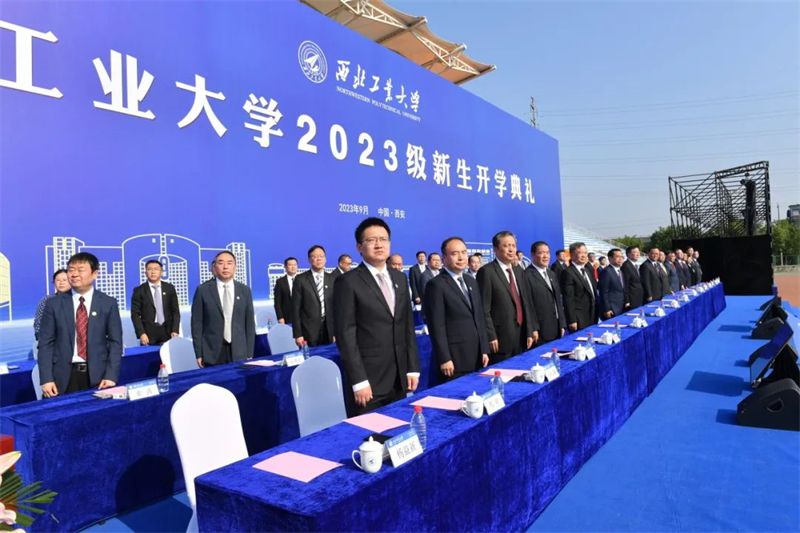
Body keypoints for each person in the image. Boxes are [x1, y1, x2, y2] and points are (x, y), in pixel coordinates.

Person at [334, 217, 419, 413]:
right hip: (369, 382)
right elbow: (346, 335)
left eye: (383, 239)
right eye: (371, 240)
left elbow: (407, 326)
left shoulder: (400, 278)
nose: (379, 244)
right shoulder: (348, 282)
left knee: (398, 426)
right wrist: (359, 380)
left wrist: (412, 367)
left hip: (399, 377)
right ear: (359, 247)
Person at [37, 252, 123, 397]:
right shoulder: (54, 304)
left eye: (80, 270)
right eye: (71, 270)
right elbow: (45, 343)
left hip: (98, 376)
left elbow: (115, 342)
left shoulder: (108, 303)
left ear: (94, 274)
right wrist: (46, 379)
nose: (74, 274)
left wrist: (111, 375)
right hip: (61, 377)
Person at [423, 237, 489, 379]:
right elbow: (436, 325)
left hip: (477, 355)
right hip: (455, 358)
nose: (461, 257)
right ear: (444, 258)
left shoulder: (471, 281)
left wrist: (484, 349)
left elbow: (479, 317)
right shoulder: (436, 285)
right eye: (454, 254)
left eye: (464, 252)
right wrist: (444, 358)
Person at [477, 231, 535, 362]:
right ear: (495, 249)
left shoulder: (518, 271)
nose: (511, 249)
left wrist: (529, 330)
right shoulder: (487, 272)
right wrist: (491, 335)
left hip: (521, 336)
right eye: (506, 246)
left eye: (513, 246)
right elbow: (484, 309)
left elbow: (525, 303)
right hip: (500, 338)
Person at [191, 250, 255, 366]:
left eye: (229, 263)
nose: (225, 267)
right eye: (221, 263)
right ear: (214, 267)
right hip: (212, 352)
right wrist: (199, 353)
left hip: (239, 351)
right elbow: (197, 325)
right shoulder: (203, 290)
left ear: (235, 267)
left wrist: (249, 352)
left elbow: (249, 324)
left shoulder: (244, 290)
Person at [523, 241, 566, 345]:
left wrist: (562, 323)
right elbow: (528, 305)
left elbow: (557, 300)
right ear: (533, 255)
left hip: (556, 327)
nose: (545, 256)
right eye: (541, 253)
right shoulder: (526, 275)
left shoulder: (552, 274)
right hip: (540, 331)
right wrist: (533, 328)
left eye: (547, 252)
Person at [292, 245, 335, 347]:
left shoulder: (332, 279)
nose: (319, 259)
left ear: (325, 259)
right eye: (315, 256)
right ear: (309, 259)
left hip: (329, 330)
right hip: (308, 331)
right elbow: (295, 309)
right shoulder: (300, 279)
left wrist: (337, 332)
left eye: (321, 256)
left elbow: (336, 308)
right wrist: (298, 334)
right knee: (311, 356)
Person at [130, 260, 180, 346]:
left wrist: (175, 330)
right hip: (148, 334)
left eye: (156, 269)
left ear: (161, 272)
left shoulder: (169, 288)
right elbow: (135, 315)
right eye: (149, 269)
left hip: (168, 332)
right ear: (145, 273)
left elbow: (175, 311)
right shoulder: (139, 291)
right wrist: (141, 333)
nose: (153, 272)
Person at [561, 242, 598, 331]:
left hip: (593, 314)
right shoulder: (568, 272)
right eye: (580, 253)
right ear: (572, 255)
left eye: (585, 253)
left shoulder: (587, 270)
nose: (583, 255)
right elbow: (568, 298)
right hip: (579, 318)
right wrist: (572, 320)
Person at [33, 269, 70, 340]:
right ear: (54, 283)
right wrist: (41, 339)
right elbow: (38, 321)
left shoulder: (78, 299)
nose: (61, 283)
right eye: (58, 280)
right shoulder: (47, 300)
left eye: (64, 280)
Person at [598, 248, 627, 319]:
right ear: (610, 258)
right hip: (612, 309)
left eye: (622, 257)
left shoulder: (620, 271)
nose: (620, 259)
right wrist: (607, 309)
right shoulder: (606, 272)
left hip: (621, 306)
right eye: (617, 257)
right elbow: (603, 292)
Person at [273, 257, 298, 324]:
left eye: (295, 265)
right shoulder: (280, 282)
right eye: (290, 265)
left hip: (303, 318)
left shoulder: (304, 280)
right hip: (287, 318)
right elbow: (277, 302)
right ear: (285, 267)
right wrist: (280, 317)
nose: (293, 267)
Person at [622, 245, 644, 309]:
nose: (638, 254)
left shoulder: (635, 265)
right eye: (635, 252)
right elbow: (625, 285)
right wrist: (627, 300)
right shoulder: (626, 266)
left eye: (638, 252)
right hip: (632, 299)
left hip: (639, 297)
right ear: (628, 254)